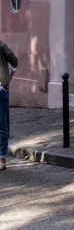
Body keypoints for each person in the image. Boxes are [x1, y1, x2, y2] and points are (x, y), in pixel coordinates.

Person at [0, 40, 18, 171]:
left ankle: (2, 158)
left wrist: (6, 82)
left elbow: (14, 61)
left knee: (1, 124)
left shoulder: (1, 47)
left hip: (0, 91)